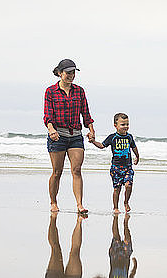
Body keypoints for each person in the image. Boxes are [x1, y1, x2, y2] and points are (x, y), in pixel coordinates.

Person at [43, 59, 96, 214]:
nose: (71, 75)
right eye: (68, 72)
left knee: (77, 170)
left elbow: (86, 114)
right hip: (57, 136)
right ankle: (53, 202)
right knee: (57, 171)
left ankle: (79, 205)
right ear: (60, 73)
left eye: (73, 72)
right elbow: (47, 116)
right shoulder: (50, 91)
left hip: (75, 136)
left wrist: (91, 130)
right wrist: (51, 129)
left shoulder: (79, 91)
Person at [90, 113, 139, 214]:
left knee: (129, 185)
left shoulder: (129, 137)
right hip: (115, 168)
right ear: (115, 125)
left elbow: (134, 147)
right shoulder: (112, 137)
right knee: (117, 189)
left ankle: (126, 202)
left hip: (128, 168)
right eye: (123, 124)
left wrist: (137, 156)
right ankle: (115, 207)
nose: (125, 127)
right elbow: (102, 146)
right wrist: (93, 141)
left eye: (127, 124)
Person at [92, 214, 138, 278]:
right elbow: (132, 274)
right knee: (127, 239)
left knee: (116, 236)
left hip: (115, 256)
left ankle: (115, 219)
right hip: (126, 255)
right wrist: (135, 265)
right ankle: (126, 224)